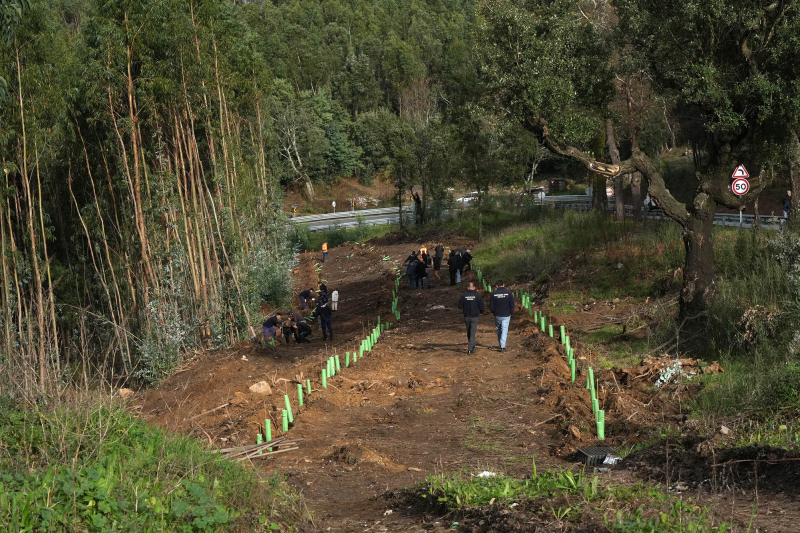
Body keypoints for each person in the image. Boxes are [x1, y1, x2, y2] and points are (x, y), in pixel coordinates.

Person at [458, 282, 484, 354]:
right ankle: (470, 348)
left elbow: (460, 306)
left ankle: (471, 345)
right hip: (475, 316)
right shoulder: (478, 296)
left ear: (468, 288)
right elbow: (481, 307)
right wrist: (481, 311)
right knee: (472, 332)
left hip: (467, 316)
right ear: (474, 287)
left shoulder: (464, 296)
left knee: (469, 331)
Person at [489, 280, 515, 352]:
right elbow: (512, 304)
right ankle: (502, 346)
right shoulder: (509, 293)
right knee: (504, 329)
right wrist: (511, 312)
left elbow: (491, 305)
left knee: (499, 329)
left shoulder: (493, 294)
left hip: (497, 314)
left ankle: (501, 344)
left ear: (496, 286)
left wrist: (493, 312)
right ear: (504, 285)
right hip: (506, 314)